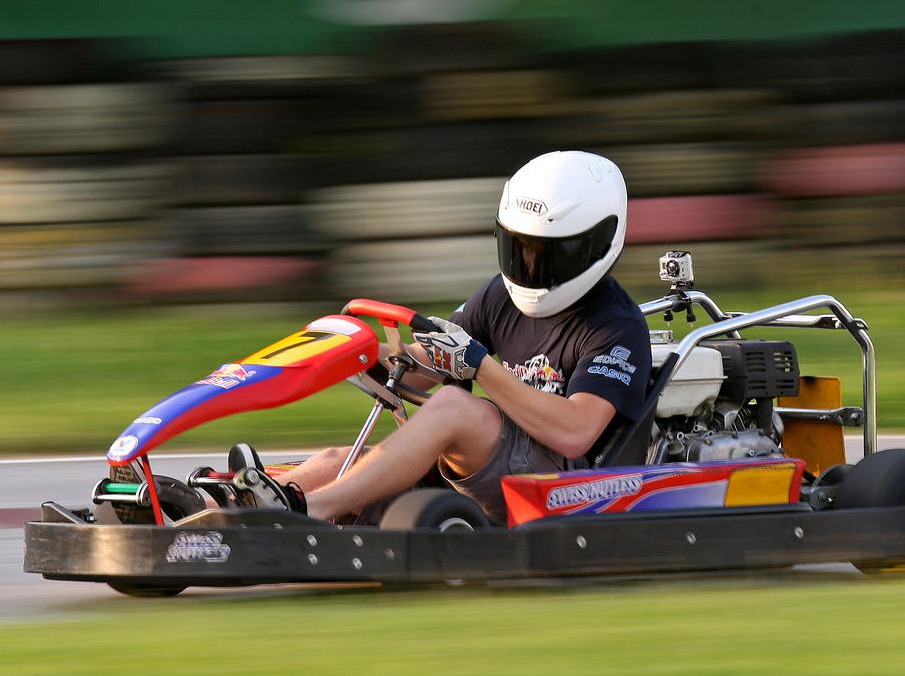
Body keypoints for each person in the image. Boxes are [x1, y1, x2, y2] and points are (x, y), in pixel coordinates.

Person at [235, 150, 651, 524]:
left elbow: (575, 432)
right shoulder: (501, 296)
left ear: (595, 245)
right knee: (339, 461)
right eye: (520, 248)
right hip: (488, 463)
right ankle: (236, 507)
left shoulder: (616, 326)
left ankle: (313, 510)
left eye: (548, 254)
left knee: (454, 406)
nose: (529, 265)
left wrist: (481, 366)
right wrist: (357, 355)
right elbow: (426, 367)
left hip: (562, 486)